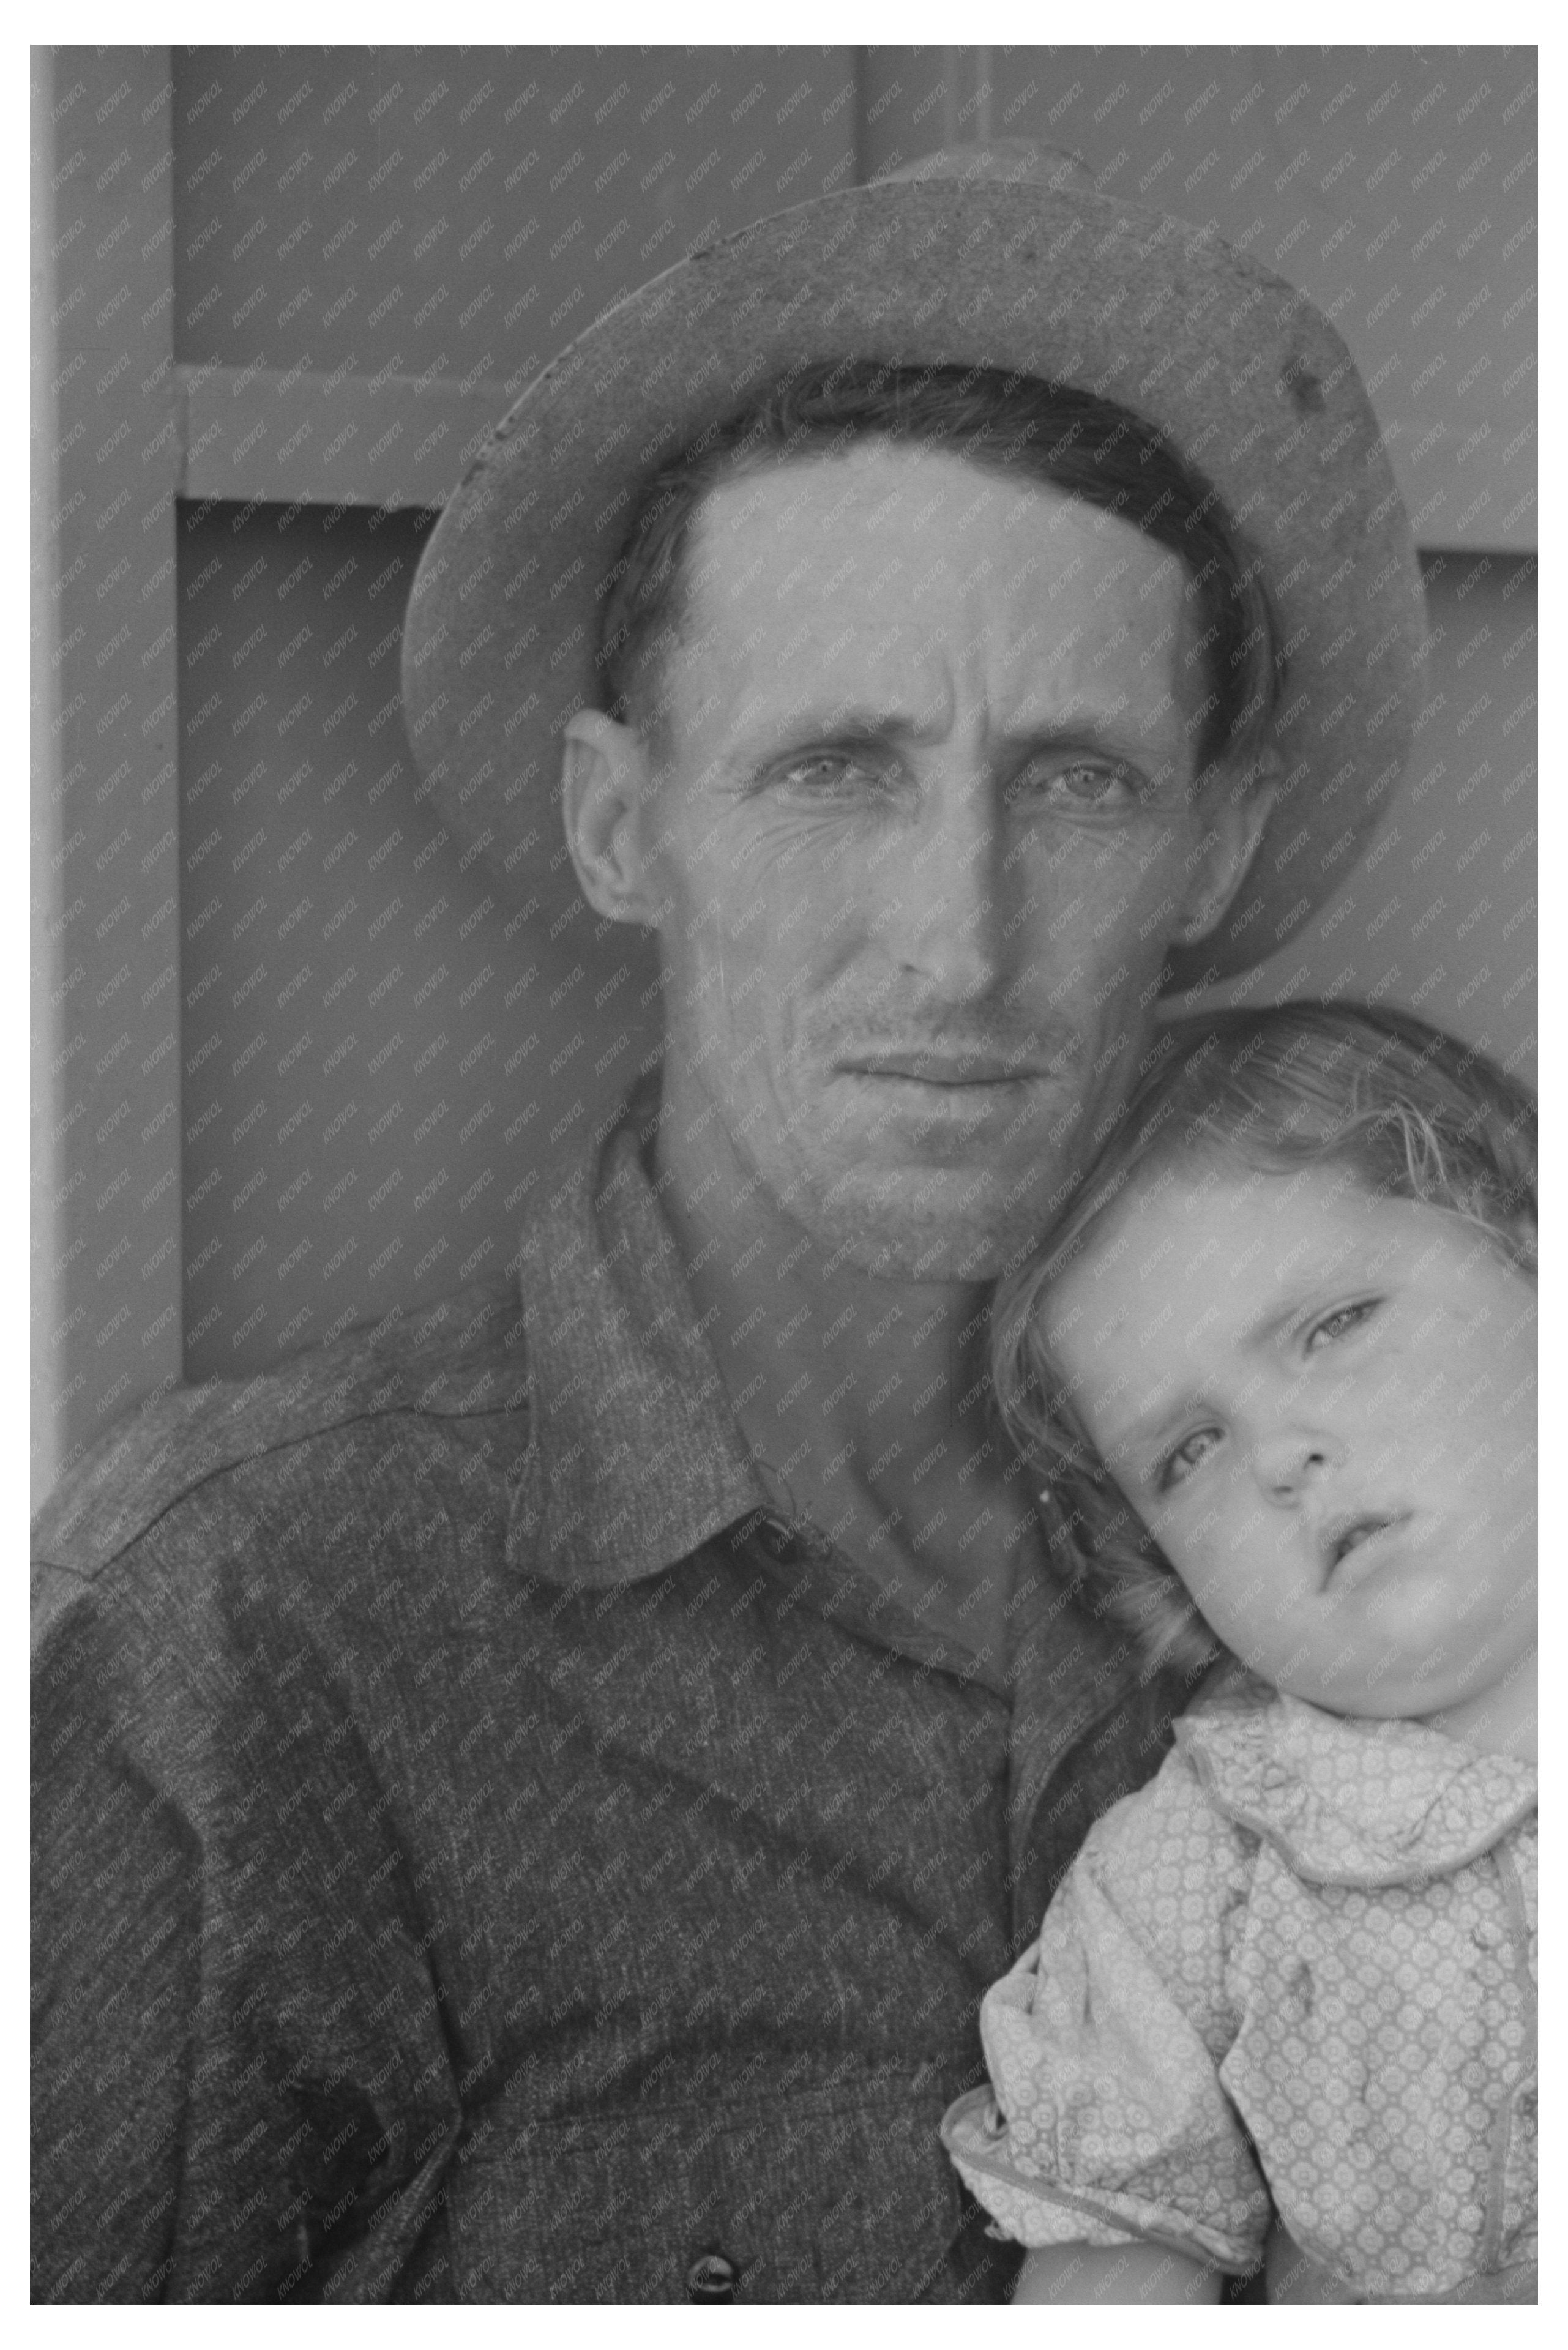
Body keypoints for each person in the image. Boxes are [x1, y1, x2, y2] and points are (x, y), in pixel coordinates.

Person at [33, 146, 1428, 2302]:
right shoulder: (259, 1628)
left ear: (1214, 847)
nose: (959, 941)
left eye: (1073, 782)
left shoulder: (1398, 1542)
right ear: (622, 826)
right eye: (834, 771)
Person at [943, 1002, 1537, 2304]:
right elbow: (1110, 2272)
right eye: (1189, 1452)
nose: (1279, 1453)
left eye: (1334, 1324)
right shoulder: (1193, 1874)